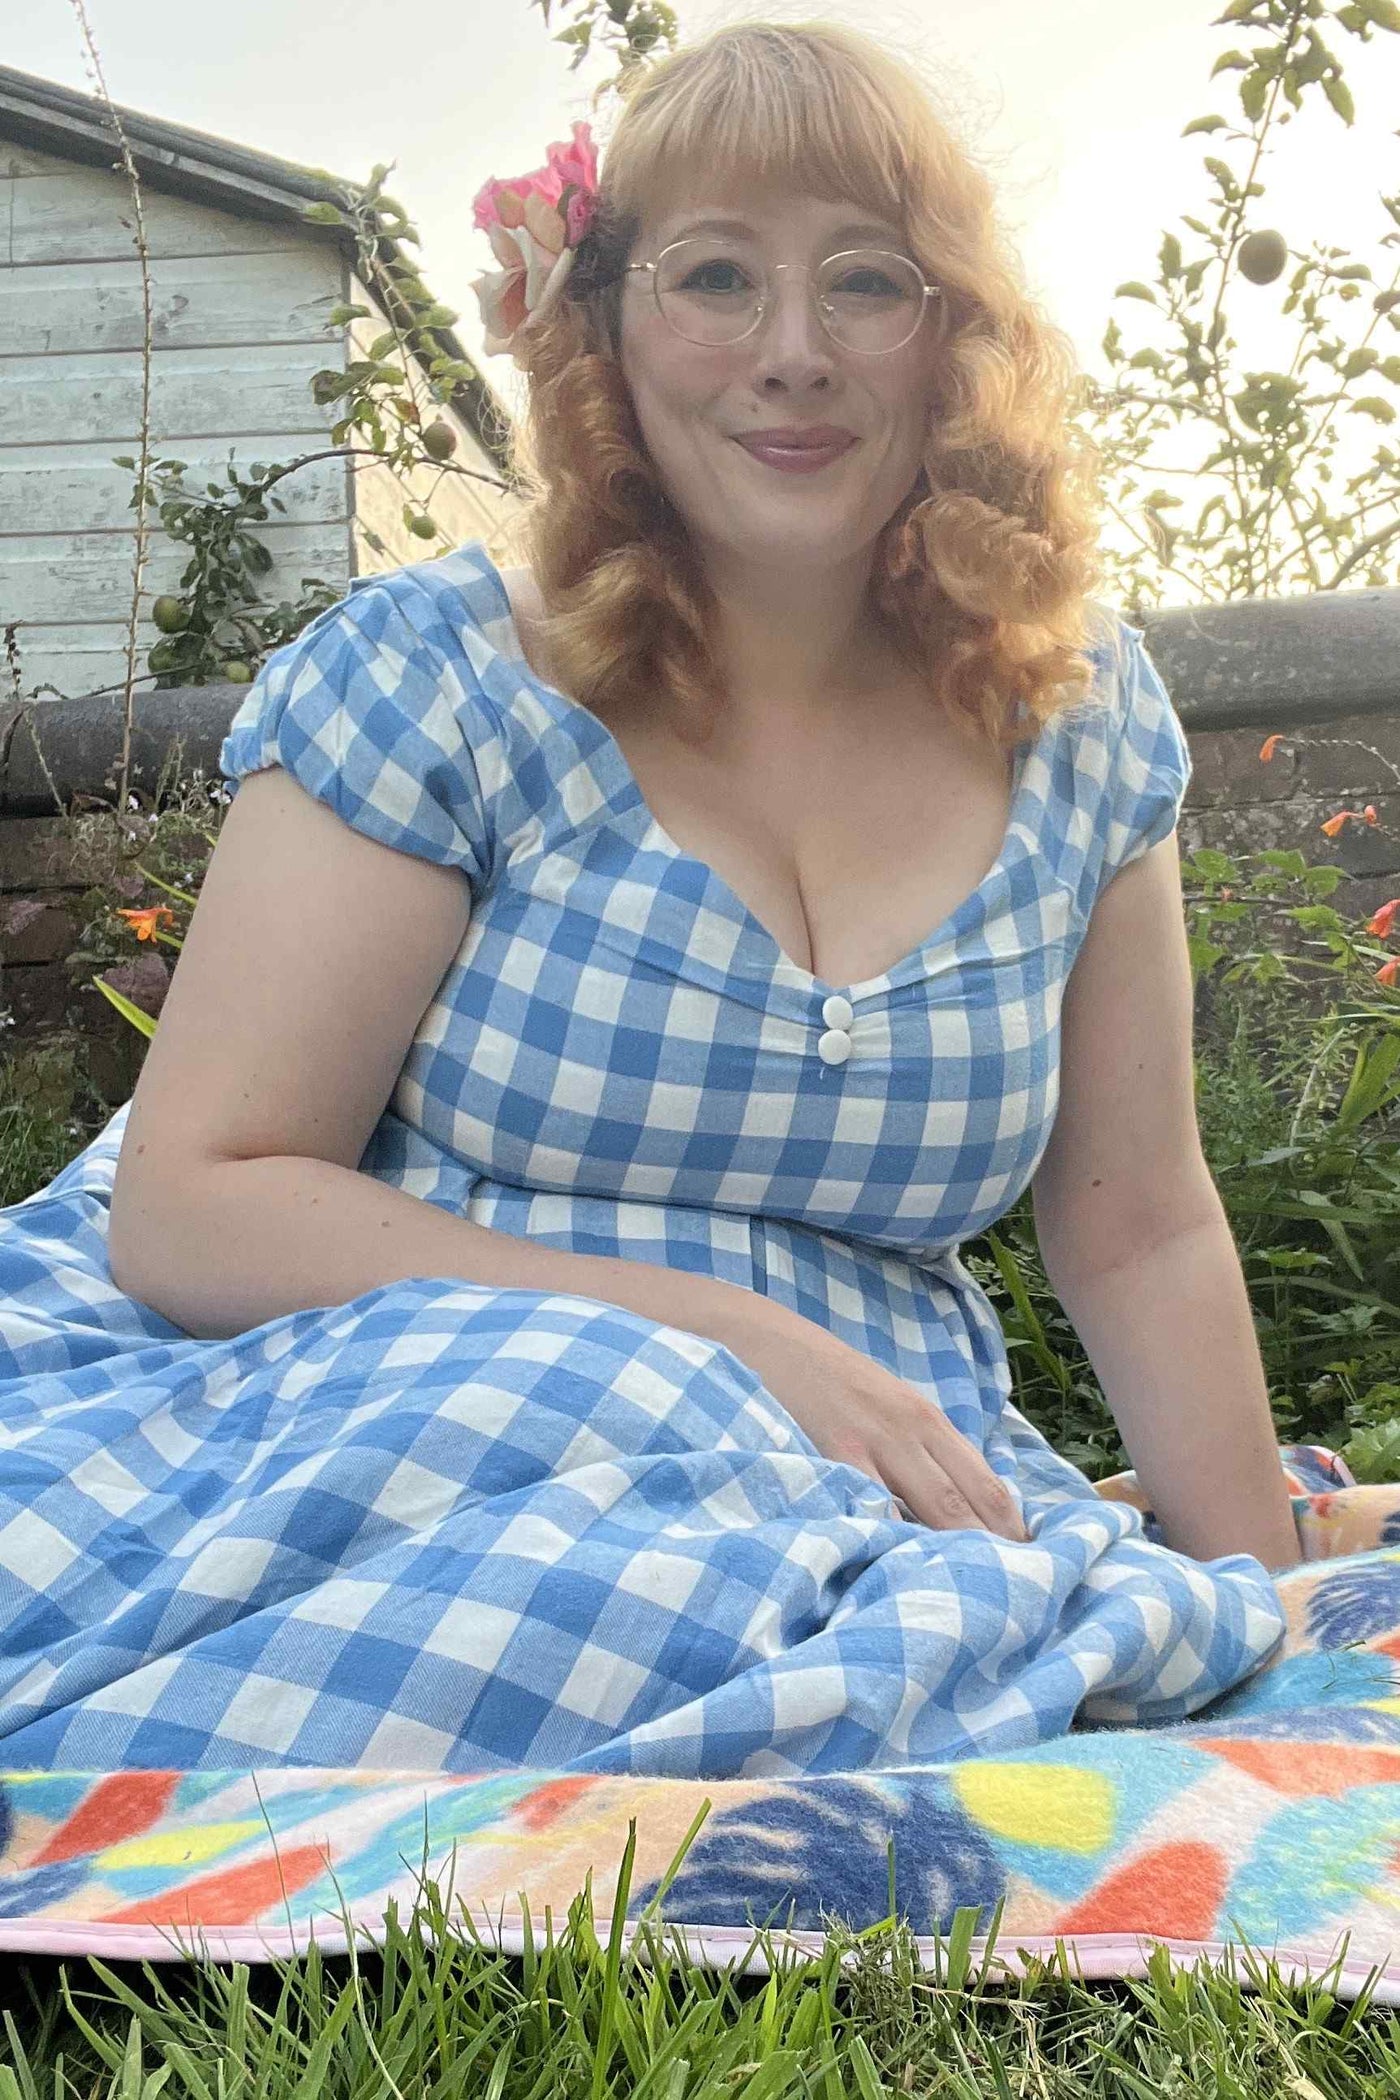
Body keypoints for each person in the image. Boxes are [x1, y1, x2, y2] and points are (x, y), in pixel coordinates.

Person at [0, 19, 1307, 1781]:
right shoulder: (448, 682)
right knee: (609, 1429)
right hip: (404, 1387)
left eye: (867, 280)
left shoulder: (1074, 732)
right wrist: (725, 1332)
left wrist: (1259, 1612)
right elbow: (194, 1204)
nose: (792, 355)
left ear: (955, 344)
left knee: (924, 1613)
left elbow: (1139, 1224)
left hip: (846, 1473)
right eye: (714, 276)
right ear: (602, 326)